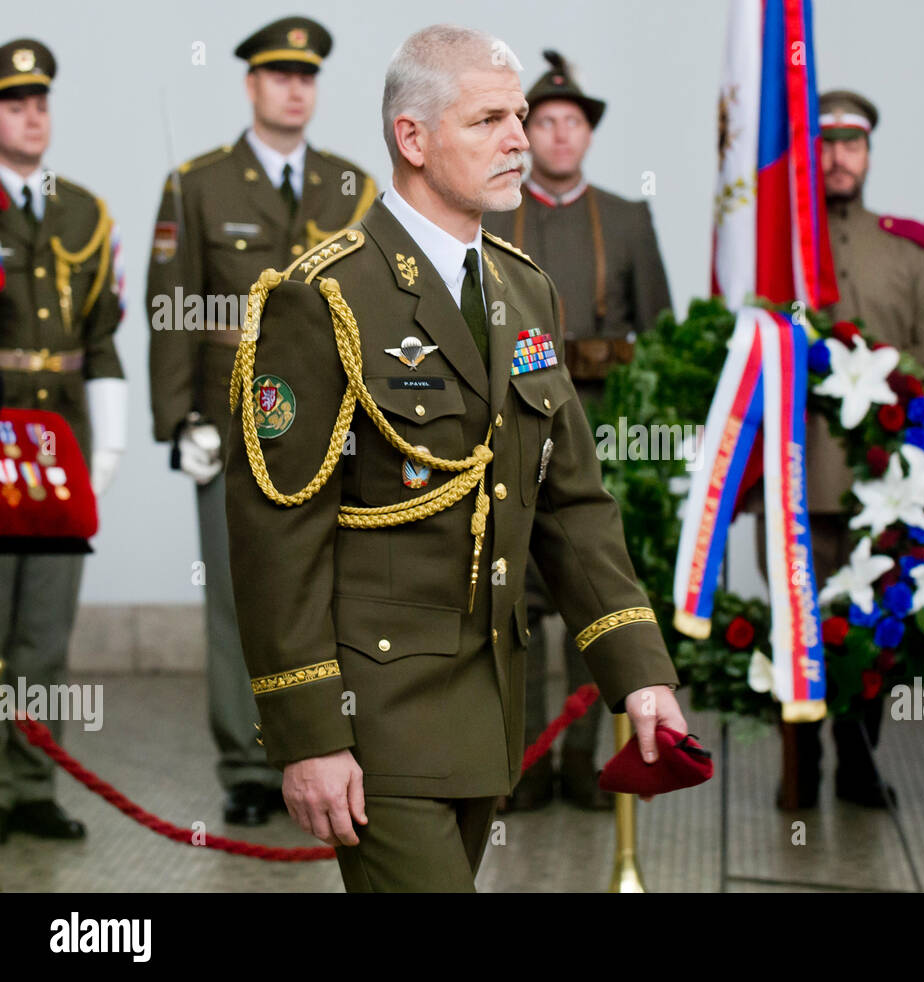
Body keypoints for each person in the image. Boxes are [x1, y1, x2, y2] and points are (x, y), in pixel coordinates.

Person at [223, 23, 686, 892]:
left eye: (518, 117)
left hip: (489, 711)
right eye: (487, 121)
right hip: (377, 717)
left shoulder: (523, 288)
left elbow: (571, 503)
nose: (519, 138)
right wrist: (312, 734)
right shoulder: (322, 298)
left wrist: (640, 675)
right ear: (413, 137)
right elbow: (276, 537)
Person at [145, 16, 375, 826]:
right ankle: (248, 765)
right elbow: (171, 309)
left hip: (328, 429)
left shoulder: (352, 186)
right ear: (251, 85)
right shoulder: (197, 183)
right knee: (238, 599)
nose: (295, 88)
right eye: (280, 76)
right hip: (231, 422)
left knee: (331, 593)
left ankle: (326, 745)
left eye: (307, 76)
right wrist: (179, 421)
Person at [761, 89, 924, 809]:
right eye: (824, 145)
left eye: (852, 144)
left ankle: (858, 760)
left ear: (870, 153)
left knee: (874, 627)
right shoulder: (773, 244)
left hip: (886, 485)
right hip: (797, 473)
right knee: (801, 623)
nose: (838, 158)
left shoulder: (909, 248)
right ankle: (802, 762)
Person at [482, 50, 672, 812]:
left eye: (573, 124)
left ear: (588, 136)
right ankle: (524, 765)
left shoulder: (627, 216)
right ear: (529, 135)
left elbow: (658, 329)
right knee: (517, 604)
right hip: (514, 433)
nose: (559, 137)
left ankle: (588, 762)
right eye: (547, 122)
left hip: (605, 429)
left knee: (597, 594)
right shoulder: (496, 212)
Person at [0, 38, 127, 842]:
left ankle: (31, 782)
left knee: (44, 633)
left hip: (58, 447)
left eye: (40, 103)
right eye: (15, 104)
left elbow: (102, 335)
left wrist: (105, 448)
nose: (33, 116)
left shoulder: (84, 211)